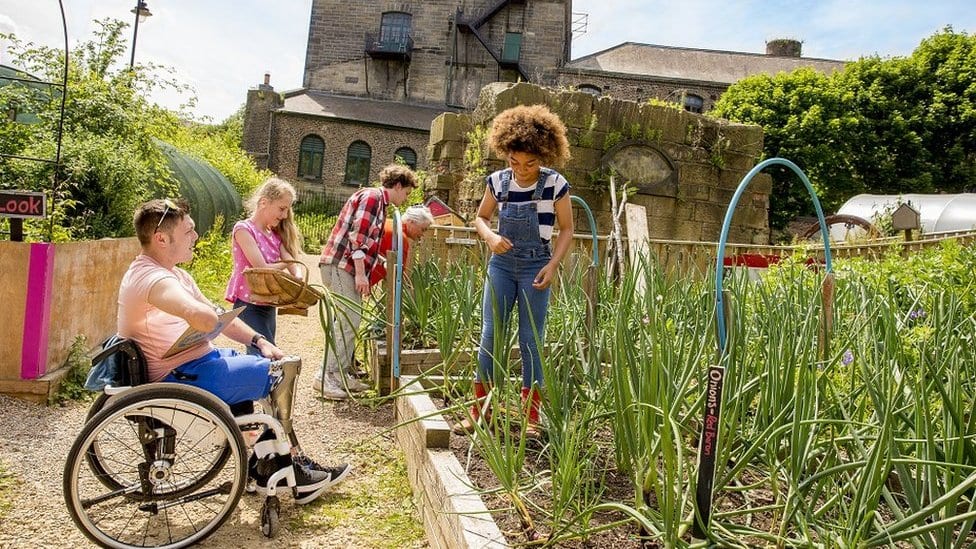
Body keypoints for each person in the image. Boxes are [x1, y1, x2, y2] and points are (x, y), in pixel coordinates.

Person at [117, 198, 350, 504]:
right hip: (183, 376)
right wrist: (201, 315)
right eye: (188, 231)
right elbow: (197, 312)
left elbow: (219, 317)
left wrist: (259, 341)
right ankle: (292, 468)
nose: (196, 237)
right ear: (161, 239)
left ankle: (262, 463)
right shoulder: (156, 279)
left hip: (196, 364)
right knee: (284, 371)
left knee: (262, 360)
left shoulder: (174, 273)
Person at [455, 104, 574, 440]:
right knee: (490, 336)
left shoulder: (555, 184)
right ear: (505, 154)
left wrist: (553, 265)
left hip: (537, 266)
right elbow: (480, 218)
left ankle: (531, 418)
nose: (522, 170)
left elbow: (567, 229)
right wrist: (490, 237)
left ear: (544, 155)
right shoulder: (498, 182)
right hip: (502, 266)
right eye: (514, 162)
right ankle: (481, 411)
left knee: (530, 342)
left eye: (530, 163)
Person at [315, 164, 418, 400]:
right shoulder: (373, 197)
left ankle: (339, 374)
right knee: (347, 320)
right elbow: (357, 237)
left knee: (349, 320)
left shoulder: (380, 204)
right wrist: (361, 274)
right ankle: (325, 377)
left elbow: (366, 242)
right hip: (342, 265)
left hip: (345, 265)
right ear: (398, 185)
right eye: (407, 193)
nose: (406, 198)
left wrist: (377, 262)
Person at [225, 177, 302, 355]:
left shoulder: (274, 235)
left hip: (268, 301)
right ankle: (255, 382)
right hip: (248, 303)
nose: (284, 216)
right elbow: (261, 267)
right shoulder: (244, 229)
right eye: (281, 209)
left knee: (266, 351)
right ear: (264, 202)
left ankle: (259, 382)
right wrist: (286, 264)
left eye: (287, 210)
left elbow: (290, 258)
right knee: (263, 354)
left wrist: (297, 277)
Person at [368, 205, 435, 287]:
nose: (422, 234)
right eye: (423, 229)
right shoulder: (400, 238)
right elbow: (397, 275)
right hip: (359, 280)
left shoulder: (389, 223)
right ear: (411, 222)